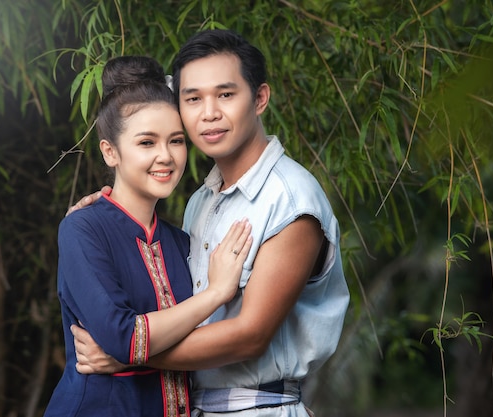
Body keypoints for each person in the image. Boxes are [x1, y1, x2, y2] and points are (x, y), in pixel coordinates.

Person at [70, 29, 350, 416]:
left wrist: (131, 357)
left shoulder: (289, 199)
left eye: (226, 95)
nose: (209, 112)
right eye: (193, 99)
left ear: (260, 98)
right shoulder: (202, 201)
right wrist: (99, 222)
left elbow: (249, 336)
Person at [44, 55, 252, 417]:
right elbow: (124, 337)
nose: (165, 156)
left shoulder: (180, 242)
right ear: (110, 151)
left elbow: (204, 343)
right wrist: (217, 292)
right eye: (146, 143)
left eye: (175, 141)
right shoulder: (82, 229)